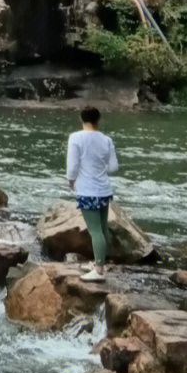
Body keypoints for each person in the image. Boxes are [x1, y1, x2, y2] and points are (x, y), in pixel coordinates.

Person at [66, 105, 118, 282]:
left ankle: (99, 270)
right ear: (99, 120)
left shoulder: (76, 138)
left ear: (82, 119)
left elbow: (72, 167)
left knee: (95, 231)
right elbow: (113, 167)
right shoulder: (107, 140)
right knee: (103, 229)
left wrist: (71, 181)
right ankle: (99, 262)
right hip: (104, 190)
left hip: (87, 191)